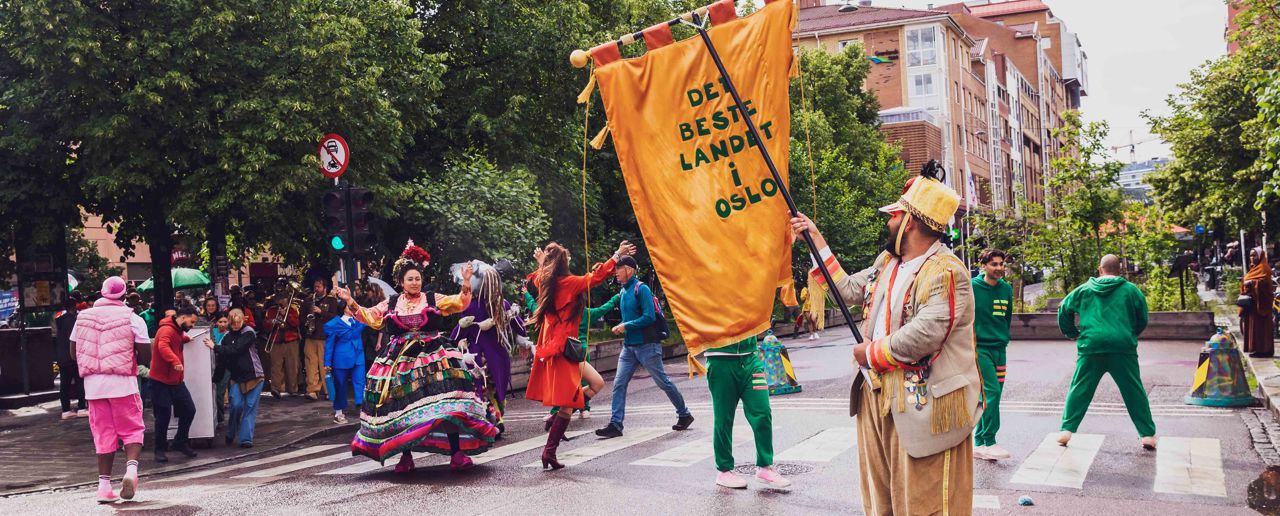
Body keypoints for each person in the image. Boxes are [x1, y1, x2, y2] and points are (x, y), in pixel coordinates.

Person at [790, 167, 981, 515]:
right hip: (875, 395)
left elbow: (926, 333)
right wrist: (815, 239)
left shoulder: (947, 270)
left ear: (910, 222)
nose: (889, 221)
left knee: (923, 502)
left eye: (894, 215)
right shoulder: (888, 262)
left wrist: (871, 353)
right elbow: (847, 289)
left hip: (923, 405)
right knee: (882, 501)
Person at [333, 240, 496, 473]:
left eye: (417, 278)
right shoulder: (391, 303)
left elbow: (459, 303)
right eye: (410, 279)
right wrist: (350, 301)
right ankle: (406, 457)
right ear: (401, 282)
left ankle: (456, 453)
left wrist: (466, 281)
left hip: (434, 358)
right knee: (402, 408)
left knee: (447, 405)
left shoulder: (432, 299)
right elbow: (371, 318)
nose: (415, 282)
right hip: (401, 361)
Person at [526, 241, 632, 469]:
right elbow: (595, 278)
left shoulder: (545, 282)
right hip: (565, 351)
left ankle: (555, 423)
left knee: (597, 383)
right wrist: (616, 254)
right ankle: (549, 451)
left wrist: (542, 263)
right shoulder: (568, 283)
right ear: (563, 263)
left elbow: (540, 277)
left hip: (565, 349)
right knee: (567, 404)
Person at [1056, 254, 1156, 450]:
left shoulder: (1084, 290)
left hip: (1091, 345)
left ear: (1100, 269)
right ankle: (1147, 435)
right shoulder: (1131, 290)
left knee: (1080, 387)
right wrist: (1130, 333)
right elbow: (1142, 317)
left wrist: (1072, 333)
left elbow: (1064, 309)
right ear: (1119, 270)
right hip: (1122, 346)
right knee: (1133, 390)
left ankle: (1066, 430)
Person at [70, 276, 151, 503]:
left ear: (102, 293)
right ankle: (131, 471)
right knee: (132, 428)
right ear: (124, 295)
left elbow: (73, 353)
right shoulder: (133, 318)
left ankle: (104, 487)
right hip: (123, 383)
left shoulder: (82, 317)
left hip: (94, 387)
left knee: (103, 433)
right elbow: (146, 355)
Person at [594, 255, 693, 439]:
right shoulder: (623, 292)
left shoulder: (642, 289)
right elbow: (632, 317)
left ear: (629, 270)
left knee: (663, 382)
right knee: (619, 384)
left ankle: (684, 414)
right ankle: (616, 424)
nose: (616, 272)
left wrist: (626, 325)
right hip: (629, 347)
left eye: (618, 269)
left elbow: (649, 317)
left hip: (648, 346)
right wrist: (623, 326)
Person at [449, 261, 528, 435]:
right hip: (498, 355)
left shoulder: (470, 306)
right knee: (497, 387)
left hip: (477, 355)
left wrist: (451, 341)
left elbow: (458, 333)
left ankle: (493, 419)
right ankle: (497, 418)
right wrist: (525, 340)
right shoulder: (502, 304)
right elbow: (519, 327)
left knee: (482, 389)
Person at [705, 335, 792, 490]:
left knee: (763, 412)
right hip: (720, 360)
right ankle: (724, 471)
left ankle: (765, 467)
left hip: (751, 359)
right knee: (724, 418)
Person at [527, 280, 621, 423]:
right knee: (584, 382)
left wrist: (527, 295)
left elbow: (536, 308)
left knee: (563, 386)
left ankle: (557, 412)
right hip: (581, 351)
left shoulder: (561, 313)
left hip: (566, 353)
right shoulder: (586, 312)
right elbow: (604, 308)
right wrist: (616, 297)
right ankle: (584, 408)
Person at [972, 249, 1014, 462]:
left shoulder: (1006, 289)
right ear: (984, 266)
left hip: (1000, 348)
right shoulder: (972, 287)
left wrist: (1004, 338)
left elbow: (1007, 318)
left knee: (992, 396)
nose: (999, 268)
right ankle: (990, 441)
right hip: (980, 349)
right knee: (992, 392)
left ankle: (979, 442)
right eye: (994, 264)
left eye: (1001, 264)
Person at [149, 305, 199, 463]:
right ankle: (159, 449)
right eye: (192, 322)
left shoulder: (177, 330)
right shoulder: (166, 330)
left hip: (175, 381)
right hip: (160, 382)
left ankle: (180, 441)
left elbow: (175, 340)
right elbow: (163, 346)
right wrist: (175, 361)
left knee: (189, 410)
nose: (192, 326)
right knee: (163, 416)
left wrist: (185, 339)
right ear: (183, 317)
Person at [210, 308, 265, 447]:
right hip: (237, 377)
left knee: (250, 407)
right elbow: (223, 360)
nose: (236, 325)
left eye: (238, 322)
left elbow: (237, 349)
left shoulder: (249, 332)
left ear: (242, 320)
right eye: (233, 323)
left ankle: (246, 439)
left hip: (254, 375)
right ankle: (231, 432)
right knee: (235, 406)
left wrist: (215, 347)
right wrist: (216, 378)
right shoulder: (227, 337)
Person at [323, 300, 367, 424]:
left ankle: (362, 408)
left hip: (358, 357)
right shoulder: (333, 324)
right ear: (343, 308)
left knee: (361, 383)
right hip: (341, 359)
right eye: (349, 306)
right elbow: (329, 345)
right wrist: (327, 363)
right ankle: (338, 413)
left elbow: (372, 319)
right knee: (340, 385)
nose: (352, 308)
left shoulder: (359, 320)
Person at [302, 278, 340, 401]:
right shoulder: (308, 301)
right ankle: (312, 390)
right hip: (310, 335)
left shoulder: (331, 300)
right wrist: (306, 323)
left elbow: (335, 317)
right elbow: (302, 317)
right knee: (310, 363)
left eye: (319, 287)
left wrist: (321, 312)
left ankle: (329, 390)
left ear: (325, 288)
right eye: (315, 286)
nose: (316, 289)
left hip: (324, 336)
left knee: (325, 364)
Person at [264, 293, 301, 398]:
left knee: (292, 366)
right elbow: (265, 324)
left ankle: (293, 389)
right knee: (276, 366)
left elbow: (296, 323)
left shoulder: (293, 309)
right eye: (278, 299)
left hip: (291, 340)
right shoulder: (271, 310)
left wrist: (286, 315)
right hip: (276, 340)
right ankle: (276, 388)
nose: (280, 301)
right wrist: (272, 321)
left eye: (283, 299)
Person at [55, 304, 88, 420]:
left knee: (64, 385)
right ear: (73, 308)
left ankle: (66, 410)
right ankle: (82, 408)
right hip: (73, 358)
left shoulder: (59, 321)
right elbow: (73, 340)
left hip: (62, 358)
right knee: (80, 382)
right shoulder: (73, 321)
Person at [1242, 248, 1275, 358]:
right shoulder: (1253, 269)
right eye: (1251, 255)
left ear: (1260, 257)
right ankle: (1256, 349)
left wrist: (1252, 282)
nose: (1252, 258)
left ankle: (1264, 350)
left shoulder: (1264, 268)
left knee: (1262, 327)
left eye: (1254, 255)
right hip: (1253, 304)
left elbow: (1264, 284)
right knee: (1254, 327)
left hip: (1262, 304)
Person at [210, 312, 231, 425]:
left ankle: (220, 418)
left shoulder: (230, 335)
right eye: (220, 322)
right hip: (211, 365)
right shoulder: (211, 332)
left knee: (219, 392)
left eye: (225, 322)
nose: (223, 324)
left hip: (225, 366)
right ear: (216, 322)